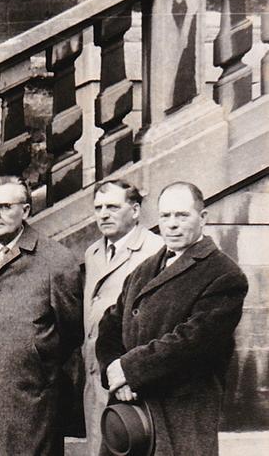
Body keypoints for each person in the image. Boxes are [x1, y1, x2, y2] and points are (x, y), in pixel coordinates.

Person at [97, 182, 248, 456]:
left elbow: (193, 342)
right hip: (131, 416)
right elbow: (110, 324)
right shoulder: (145, 269)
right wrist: (115, 372)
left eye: (182, 215)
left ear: (203, 218)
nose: (172, 225)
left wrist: (130, 370)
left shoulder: (224, 274)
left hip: (180, 420)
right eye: (165, 216)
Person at [0, 176, 82, 455]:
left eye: (5, 206)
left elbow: (71, 332)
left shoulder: (56, 260)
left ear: (26, 210)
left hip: (31, 400)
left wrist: (35, 360)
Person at [82, 180, 162, 455]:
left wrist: (131, 374)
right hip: (95, 378)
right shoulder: (93, 252)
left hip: (131, 381)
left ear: (136, 210)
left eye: (113, 207)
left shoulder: (155, 251)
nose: (104, 214)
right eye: (98, 208)